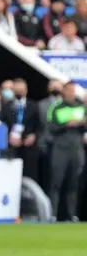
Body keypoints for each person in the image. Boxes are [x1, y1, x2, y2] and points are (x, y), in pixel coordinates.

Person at [46, 82, 86, 221]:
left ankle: (71, 214)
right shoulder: (56, 107)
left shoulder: (81, 106)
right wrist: (66, 124)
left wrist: (81, 123)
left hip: (76, 148)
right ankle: (53, 214)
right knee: (57, 181)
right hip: (60, 148)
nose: (71, 93)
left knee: (73, 182)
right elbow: (51, 127)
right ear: (63, 91)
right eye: (68, 90)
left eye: (73, 91)